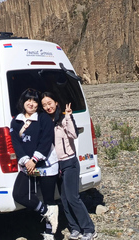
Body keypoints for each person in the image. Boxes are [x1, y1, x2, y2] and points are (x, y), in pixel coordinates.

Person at [41, 92, 98, 240]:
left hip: (70, 162)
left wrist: (68, 116)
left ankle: (89, 229)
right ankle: (74, 228)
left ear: (56, 103)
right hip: (56, 164)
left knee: (73, 197)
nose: (48, 107)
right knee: (64, 199)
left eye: (50, 103)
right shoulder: (47, 122)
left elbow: (74, 135)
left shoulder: (64, 119)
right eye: (45, 105)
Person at [10, 88, 59, 240]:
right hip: (28, 165)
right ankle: (45, 211)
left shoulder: (43, 119)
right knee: (19, 194)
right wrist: (26, 160)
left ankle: (49, 234)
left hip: (46, 165)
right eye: (28, 100)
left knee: (48, 197)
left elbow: (46, 140)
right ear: (23, 101)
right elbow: (15, 143)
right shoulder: (16, 120)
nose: (31, 103)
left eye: (34, 101)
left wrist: (34, 160)